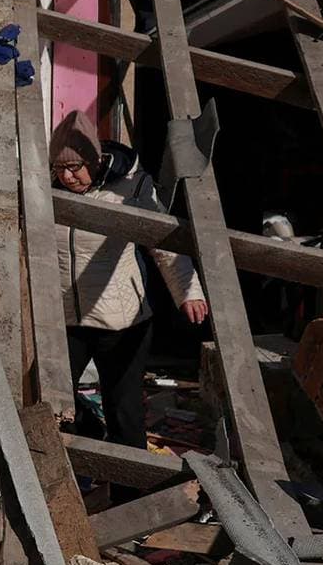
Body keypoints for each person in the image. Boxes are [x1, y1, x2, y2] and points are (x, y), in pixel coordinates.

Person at [49, 113, 207, 497]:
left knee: (124, 411)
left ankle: (128, 499)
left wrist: (189, 291)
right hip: (63, 318)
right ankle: (70, 476)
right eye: (59, 168)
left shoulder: (132, 187)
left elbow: (162, 243)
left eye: (75, 168)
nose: (68, 177)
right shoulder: (44, 190)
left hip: (123, 319)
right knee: (52, 405)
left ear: (96, 160)